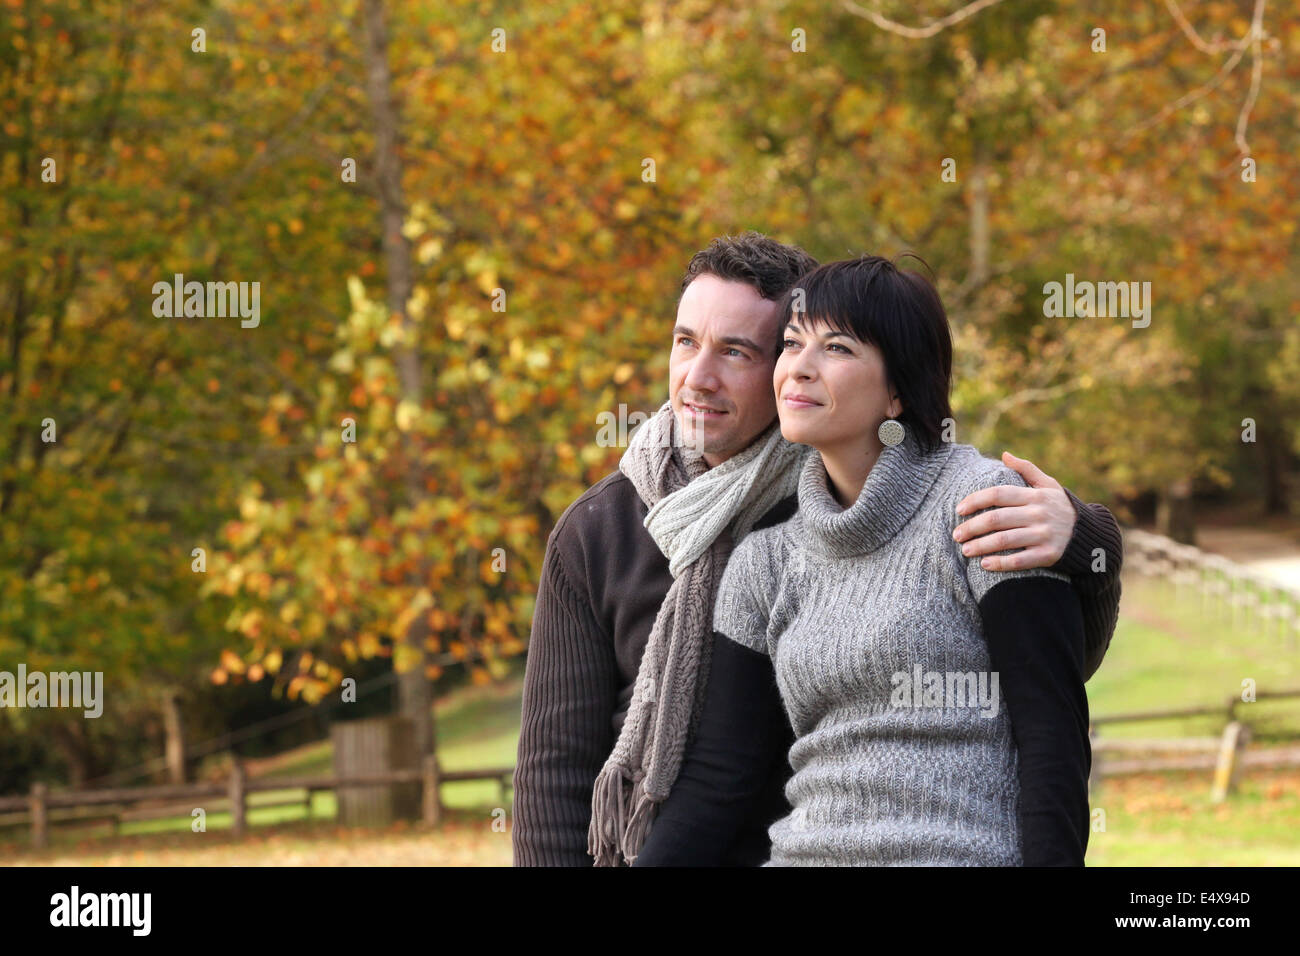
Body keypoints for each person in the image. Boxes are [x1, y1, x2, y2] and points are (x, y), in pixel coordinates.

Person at [512, 234, 1122, 867]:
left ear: (897, 390)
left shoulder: (973, 504)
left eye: (741, 351)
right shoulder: (615, 533)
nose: (698, 376)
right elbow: (613, 774)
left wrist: (1085, 536)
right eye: (685, 340)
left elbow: (1053, 711)